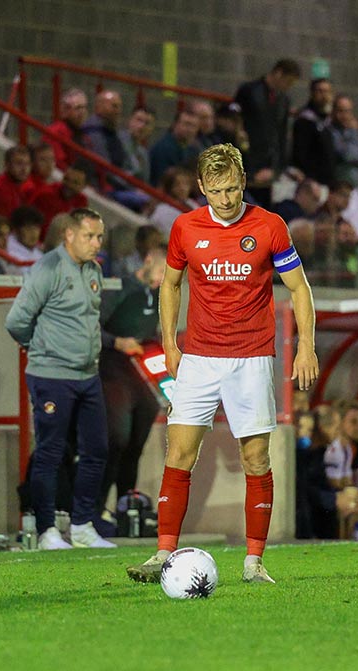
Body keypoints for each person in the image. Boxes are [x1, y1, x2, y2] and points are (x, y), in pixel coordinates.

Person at [126, 143, 318, 585]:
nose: (226, 200)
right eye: (216, 191)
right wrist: (169, 341)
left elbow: (300, 288)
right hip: (199, 358)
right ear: (201, 188)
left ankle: (253, 563)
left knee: (255, 458)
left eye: (232, 188)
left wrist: (305, 346)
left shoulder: (270, 227)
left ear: (243, 181)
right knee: (179, 453)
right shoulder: (185, 228)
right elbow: (170, 284)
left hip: (250, 358)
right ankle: (162, 555)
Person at [5, 207, 117, 550]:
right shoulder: (48, 269)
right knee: (51, 452)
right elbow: (16, 320)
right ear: (69, 235)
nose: (96, 243)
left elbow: (88, 321)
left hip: (88, 375)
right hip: (51, 376)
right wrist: (42, 349)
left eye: (99, 237)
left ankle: (83, 526)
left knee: (97, 449)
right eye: (89, 236)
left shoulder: (93, 270)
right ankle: (47, 531)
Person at [99, 248, 168, 506]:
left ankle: (126, 505)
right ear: (148, 260)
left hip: (141, 368)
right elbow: (93, 327)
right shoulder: (121, 288)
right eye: (162, 271)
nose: (163, 278)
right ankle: (97, 506)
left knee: (138, 439)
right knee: (117, 436)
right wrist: (117, 342)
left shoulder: (160, 294)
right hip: (113, 365)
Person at [233, 59, 300, 207]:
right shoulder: (249, 91)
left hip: (269, 165)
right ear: (278, 73)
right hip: (248, 159)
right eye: (288, 82)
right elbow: (237, 126)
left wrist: (277, 168)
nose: (288, 87)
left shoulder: (283, 100)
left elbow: (281, 135)